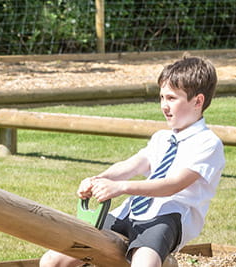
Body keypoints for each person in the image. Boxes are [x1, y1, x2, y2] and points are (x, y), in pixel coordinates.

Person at [39, 56, 225, 267]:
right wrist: (98, 179)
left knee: (144, 264)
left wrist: (121, 187)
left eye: (172, 98)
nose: (164, 106)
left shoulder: (208, 144)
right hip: (129, 212)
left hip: (167, 217)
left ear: (198, 101)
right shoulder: (162, 138)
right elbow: (133, 165)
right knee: (53, 260)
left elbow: (172, 185)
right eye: (162, 97)